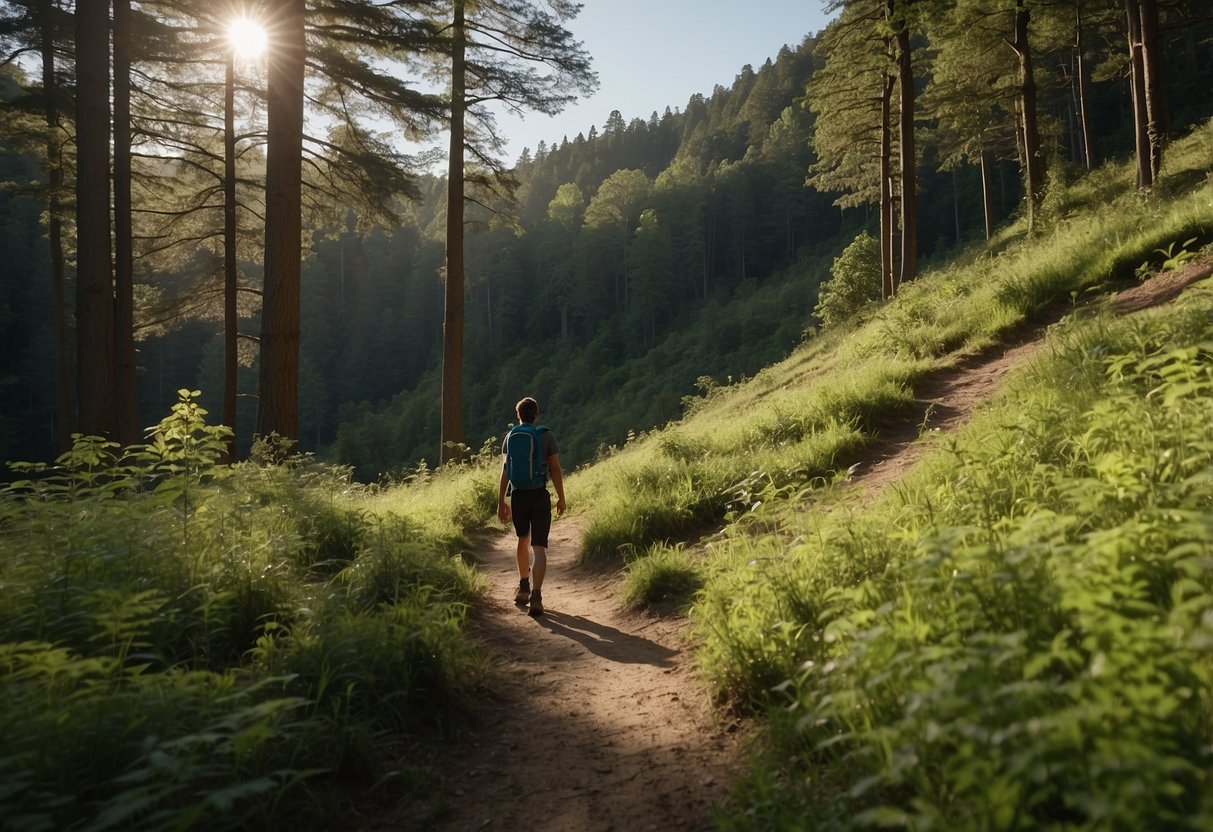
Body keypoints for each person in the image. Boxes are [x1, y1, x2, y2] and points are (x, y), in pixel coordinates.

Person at [497, 396, 566, 616]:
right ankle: (536, 596)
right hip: (539, 495)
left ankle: (523, 587)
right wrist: (561, 497)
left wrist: (501, 502)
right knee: (539, 547)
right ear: (537, 414)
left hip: (518, 496)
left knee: (522, 540)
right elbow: (555, 468)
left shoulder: (510, 437)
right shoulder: (546, 436)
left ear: (518, 415)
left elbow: (506, 470)